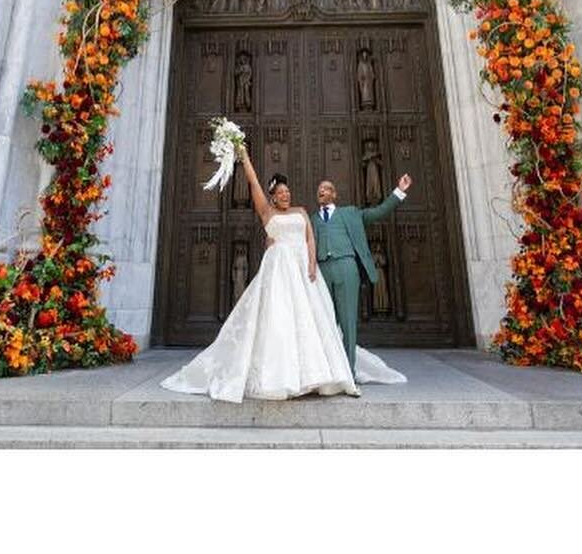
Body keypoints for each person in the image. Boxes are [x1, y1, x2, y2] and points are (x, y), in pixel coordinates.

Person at [160, 144, 403, 402]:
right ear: (273, 197)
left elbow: (310, 239)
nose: (286, 195)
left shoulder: (302, 212)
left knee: (314, 320)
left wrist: (311, 263)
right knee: (280, 319)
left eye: (288, 191)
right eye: (281, 192)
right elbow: (253, 183)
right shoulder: (267, 213)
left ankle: (326, 373)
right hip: (278, 271)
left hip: (304, 272)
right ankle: (282, 375)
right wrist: (244, 157)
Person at [314, 172, 412, 374]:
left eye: (326, 188)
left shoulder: (350, 213)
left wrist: (399, 191)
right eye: (319, 190)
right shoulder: (311, 219)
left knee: (348, 320)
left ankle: (348, 372)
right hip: (322, 269)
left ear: (334, 194)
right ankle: (327, 371)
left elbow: (379, 212)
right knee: (324, 321)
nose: (321, 191)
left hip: (346, 266)